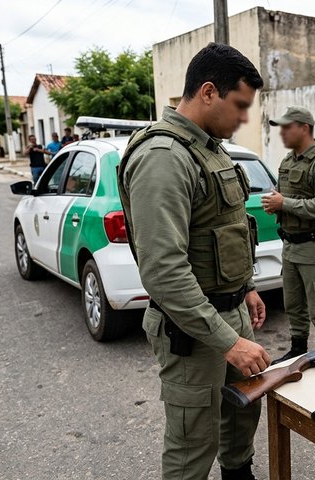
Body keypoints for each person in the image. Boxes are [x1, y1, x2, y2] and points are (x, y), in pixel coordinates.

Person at [117, 43, 269, 480]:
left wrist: (248, 288)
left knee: (240, 418)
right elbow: (164, 271)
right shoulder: (163, 158)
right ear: (207, 92)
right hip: (194, 330)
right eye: (239, 106)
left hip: (231, 310)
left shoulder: (210, 147)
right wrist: (229, 342)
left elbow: (226, 228)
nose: (243, 118)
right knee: (193, 446)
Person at [262, 106, 315, 364]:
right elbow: (287, 196)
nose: (282, 132)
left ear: (304, 128)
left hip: (314, 248)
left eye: (287, 127)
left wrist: (283, 203)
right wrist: (277, 202)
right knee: (294, 307)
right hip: (291, 246)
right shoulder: (289, 161)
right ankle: (298, 350)